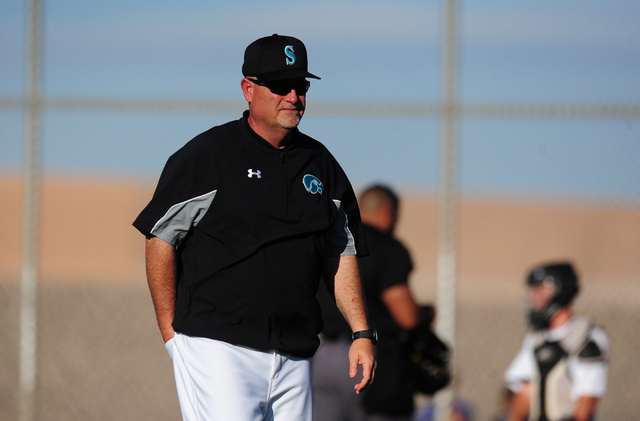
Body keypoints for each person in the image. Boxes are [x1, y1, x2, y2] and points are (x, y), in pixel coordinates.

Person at [133, 34, 376, 421]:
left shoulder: (321, 164)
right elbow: (160, 237)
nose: (294, 96)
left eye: (301, 86)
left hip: (295, 354)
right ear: (248, 89)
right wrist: (171, 335)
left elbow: (340, 250)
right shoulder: (211, 155)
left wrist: (361, 332)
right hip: (219, 349)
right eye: (280, 86)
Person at [313, 184, 430, 421]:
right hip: (373, 357)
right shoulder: (387, 248)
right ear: (388, 213)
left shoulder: (329, 240)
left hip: (324, 357)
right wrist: (427, 313)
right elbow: (406, 316)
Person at [503, 262, 610, 421]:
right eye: (533, 291)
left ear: (561, 291)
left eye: (540, 290)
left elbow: (587, 399)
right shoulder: (537, 338)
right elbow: (524, 390)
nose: (533, 297)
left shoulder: (585, 337)